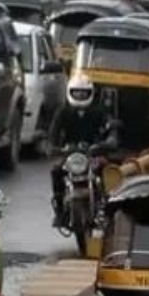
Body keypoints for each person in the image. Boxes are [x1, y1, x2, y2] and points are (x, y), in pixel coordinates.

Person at [48, 74, 117, 228]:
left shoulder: (99, 111)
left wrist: (109, 140)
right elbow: (53, 132)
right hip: (70, 155)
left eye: (83, 93)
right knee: (56, 171)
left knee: (107, 171)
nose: (80, 96)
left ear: (90, 93)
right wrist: (52, 147)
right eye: (76, 92)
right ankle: (60, 211)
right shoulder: (63, 112)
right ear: (70, 92)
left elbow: (110, 127)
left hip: (94, 153)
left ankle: (109, 208)